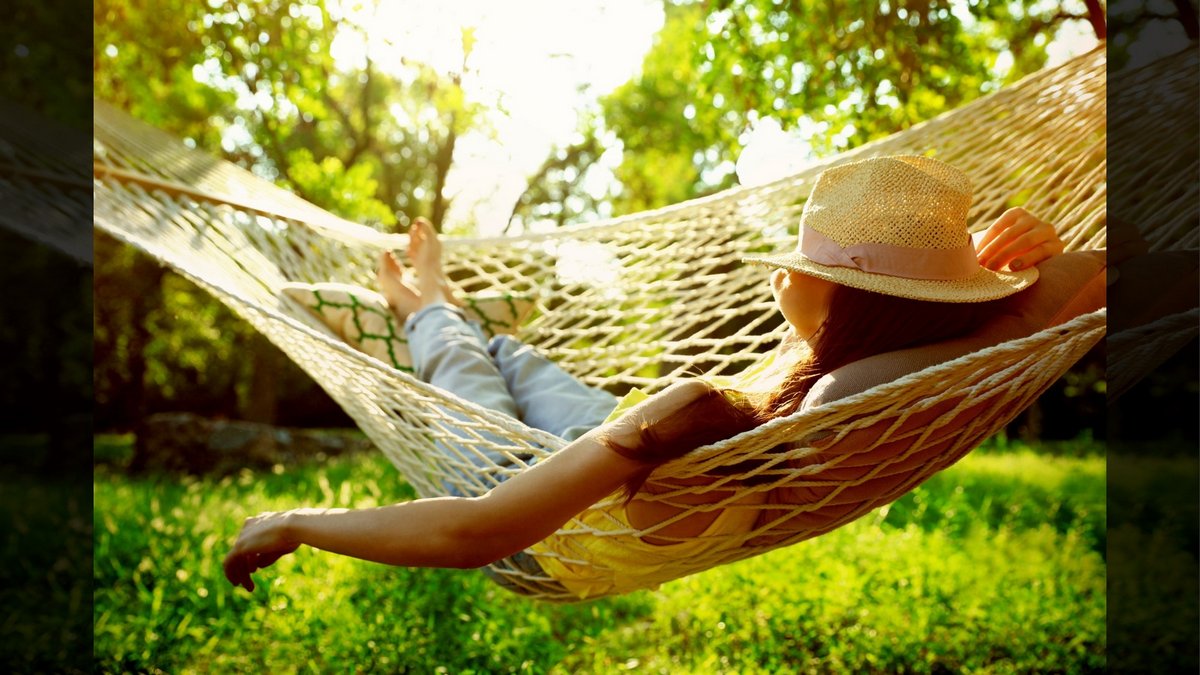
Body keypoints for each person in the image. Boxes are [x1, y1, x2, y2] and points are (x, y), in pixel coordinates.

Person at [224, 155, 1066, 595]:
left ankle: (425, 307)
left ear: (849, 301)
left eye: (803, 262)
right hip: (629, 442)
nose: (786, 272)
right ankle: (461, 312)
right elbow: (1081, 287)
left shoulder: (778, 406)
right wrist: (990, 298)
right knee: (516, 358)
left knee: (457, 367)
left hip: (530, 504)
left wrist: (299, 520)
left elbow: (473, 532)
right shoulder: (869, 383)